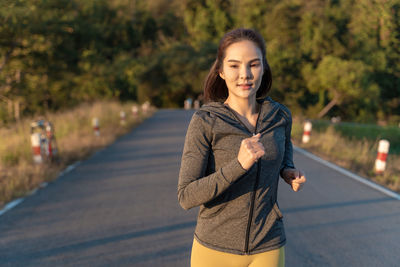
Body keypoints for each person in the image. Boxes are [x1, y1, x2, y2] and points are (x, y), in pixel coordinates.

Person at [178, 28, 306, 267]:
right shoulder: (206, 121)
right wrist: (238, 166)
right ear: (221, 71)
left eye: (253, 65)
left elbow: (285, 157)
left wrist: (288, 172)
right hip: (214, 250)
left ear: (264, 68)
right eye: (235, 65)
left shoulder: (280, 116)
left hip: (268, 245)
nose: (245, 75)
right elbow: (186, 195)